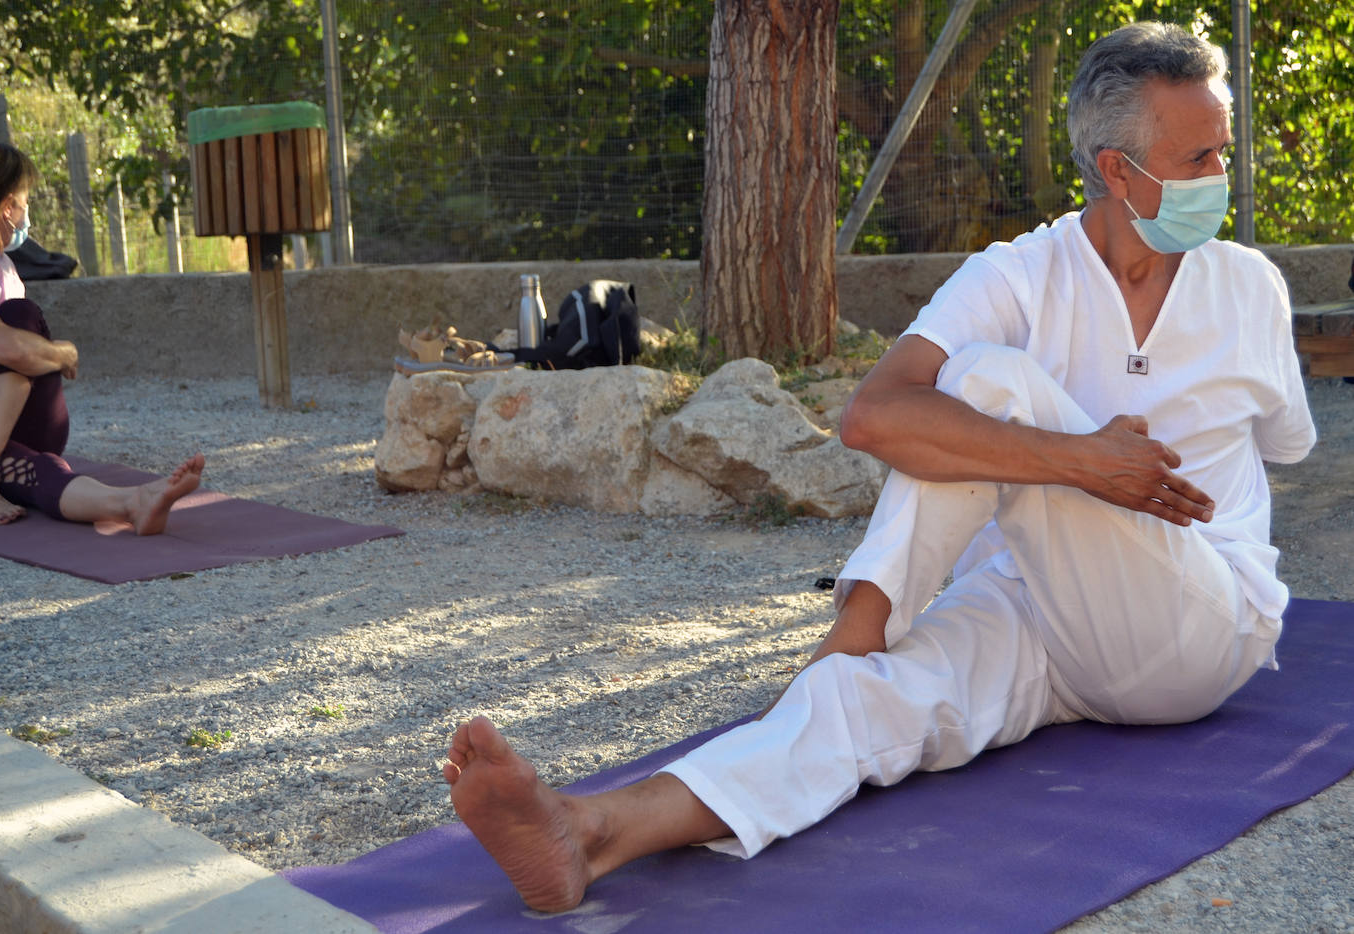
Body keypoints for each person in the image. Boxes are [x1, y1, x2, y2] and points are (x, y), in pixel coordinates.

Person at [441, 21, 1317, 913]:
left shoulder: (1247, 286)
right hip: (1039, 617)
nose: (1222, 178)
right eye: (1199, 158)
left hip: (1196, 632)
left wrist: (1103, 484)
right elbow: (875, 413)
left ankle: (853, 629)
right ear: (1118, 171)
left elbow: (1284, 447)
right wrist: (1084, 463)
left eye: (1223, 152)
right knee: (862, 703)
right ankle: (589, 833)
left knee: (987, 382)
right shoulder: (1020, 273)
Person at [0, 140, 203, 532]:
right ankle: (133, 503)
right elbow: (8, 349)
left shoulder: (7, 270)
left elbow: (20, 353)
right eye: (25, 201)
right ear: (5, 206)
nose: (27, 213)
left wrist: (38, 354)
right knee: (38, 470)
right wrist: (64, 353)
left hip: (27, 423)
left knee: (20, 316)